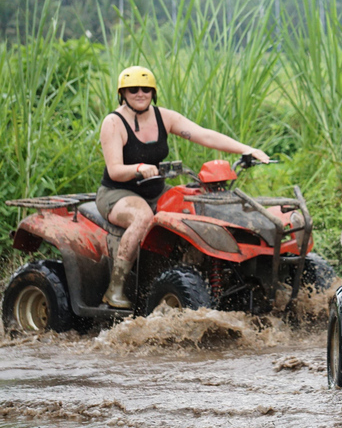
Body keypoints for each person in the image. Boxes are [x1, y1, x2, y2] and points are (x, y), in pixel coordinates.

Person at [96, 66, 270, 309]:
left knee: (194, 208)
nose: (140, 93)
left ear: (153, 92)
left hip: (156, 191)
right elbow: (115, 169)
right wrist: (138, 168)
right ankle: (115, 288)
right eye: (132, 89)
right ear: (122, 93)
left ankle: (203, 274)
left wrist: (246, 149)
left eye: (145, 89)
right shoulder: (113, 123)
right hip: (119, 193)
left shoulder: (164, 117)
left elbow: (204, 135)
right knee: (143, 217)